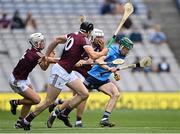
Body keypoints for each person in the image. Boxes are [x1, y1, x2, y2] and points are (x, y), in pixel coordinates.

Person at [19, 21, 108, 130]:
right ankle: (26, 120)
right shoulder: (83, 39)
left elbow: (56, 39)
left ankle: (64, 114)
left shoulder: (72, 35)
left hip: (68, 71)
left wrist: (46, 55)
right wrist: (104, 51)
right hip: (60, 71)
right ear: (89, 31)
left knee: (84, 93)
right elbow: (94, 55)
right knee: (49, 101)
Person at [47, 37, 134, 128]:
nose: (128, 51)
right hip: (93, 77)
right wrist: (109, 68)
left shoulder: (122, 56)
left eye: (129, 50)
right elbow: (99, 60)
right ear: (121, 47)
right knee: (78, 97)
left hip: (103, 80)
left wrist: (115, 73)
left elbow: (112, 66)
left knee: (115, 94)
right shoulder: (112, 50)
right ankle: (57, 112)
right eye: (127, 49)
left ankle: (104, 119)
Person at [48, 28, 105, 127]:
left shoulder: (99, 47)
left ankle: (58, 107)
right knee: (81, 96)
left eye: (102, 37)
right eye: (99, 37)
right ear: (94, 37)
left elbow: (100, 59)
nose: (101, 39)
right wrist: (83, 61)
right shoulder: (86, 45)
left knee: (79, 98)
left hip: (86, 74)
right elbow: (75, 59)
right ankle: (76, 120)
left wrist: (103, 50)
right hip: (75, 71)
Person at [9, 33, 59, 129]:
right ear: (36, 43)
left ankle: (20, 122)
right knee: (36, 100)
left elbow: (44, 67)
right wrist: (65, 60)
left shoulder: (35, 52)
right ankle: (15, 103)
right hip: (17, 80)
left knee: (31, 100)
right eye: (41, 42)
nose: (43, 43)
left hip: (24, 78)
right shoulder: (35, 54)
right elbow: (51, 61)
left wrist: (50, 58)